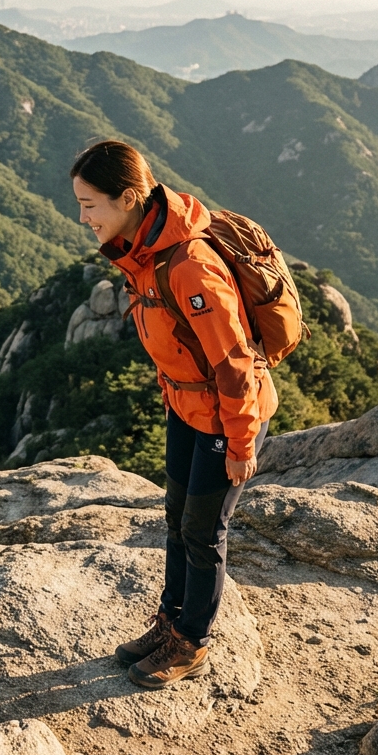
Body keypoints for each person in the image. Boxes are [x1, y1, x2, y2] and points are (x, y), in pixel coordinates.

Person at [70, 140, 277, 689]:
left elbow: (233, 364)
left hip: (225, 415)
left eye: (91, 204)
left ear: (131, 198)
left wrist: (240, 445)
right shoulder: (143, 250)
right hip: (185, 406)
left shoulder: (190, 266)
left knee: (204, 530)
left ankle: (193, 642)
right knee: (177, 517)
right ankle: (171, 622)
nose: (83, 216)